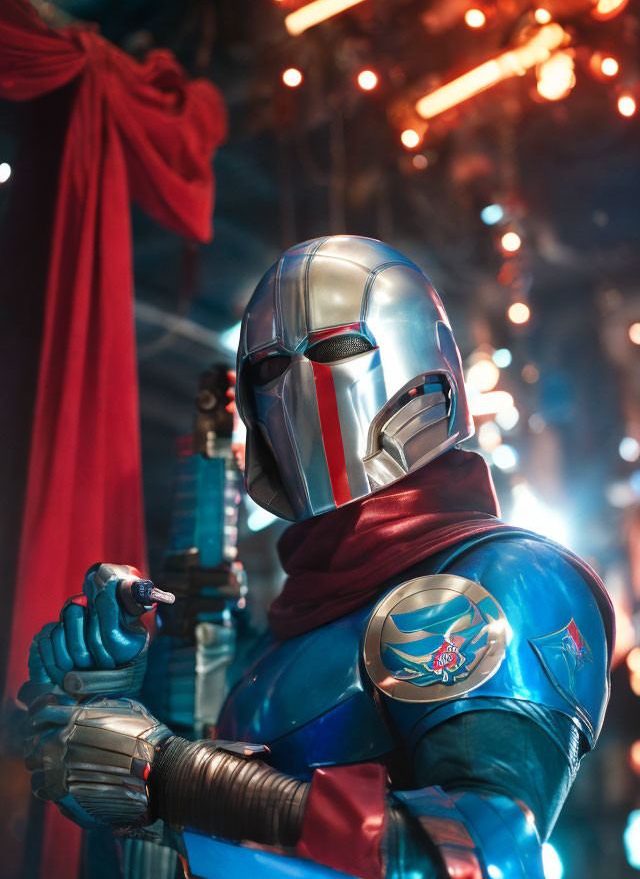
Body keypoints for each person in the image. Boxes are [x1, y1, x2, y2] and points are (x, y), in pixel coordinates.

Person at [21, 236, 613, 879]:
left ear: (420, 362)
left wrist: (171, 778)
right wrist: (111, 705)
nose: (302, 386)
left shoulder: (506, 580)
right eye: (270, 369)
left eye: (338, 349)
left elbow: (482, 861)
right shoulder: (293, 625)